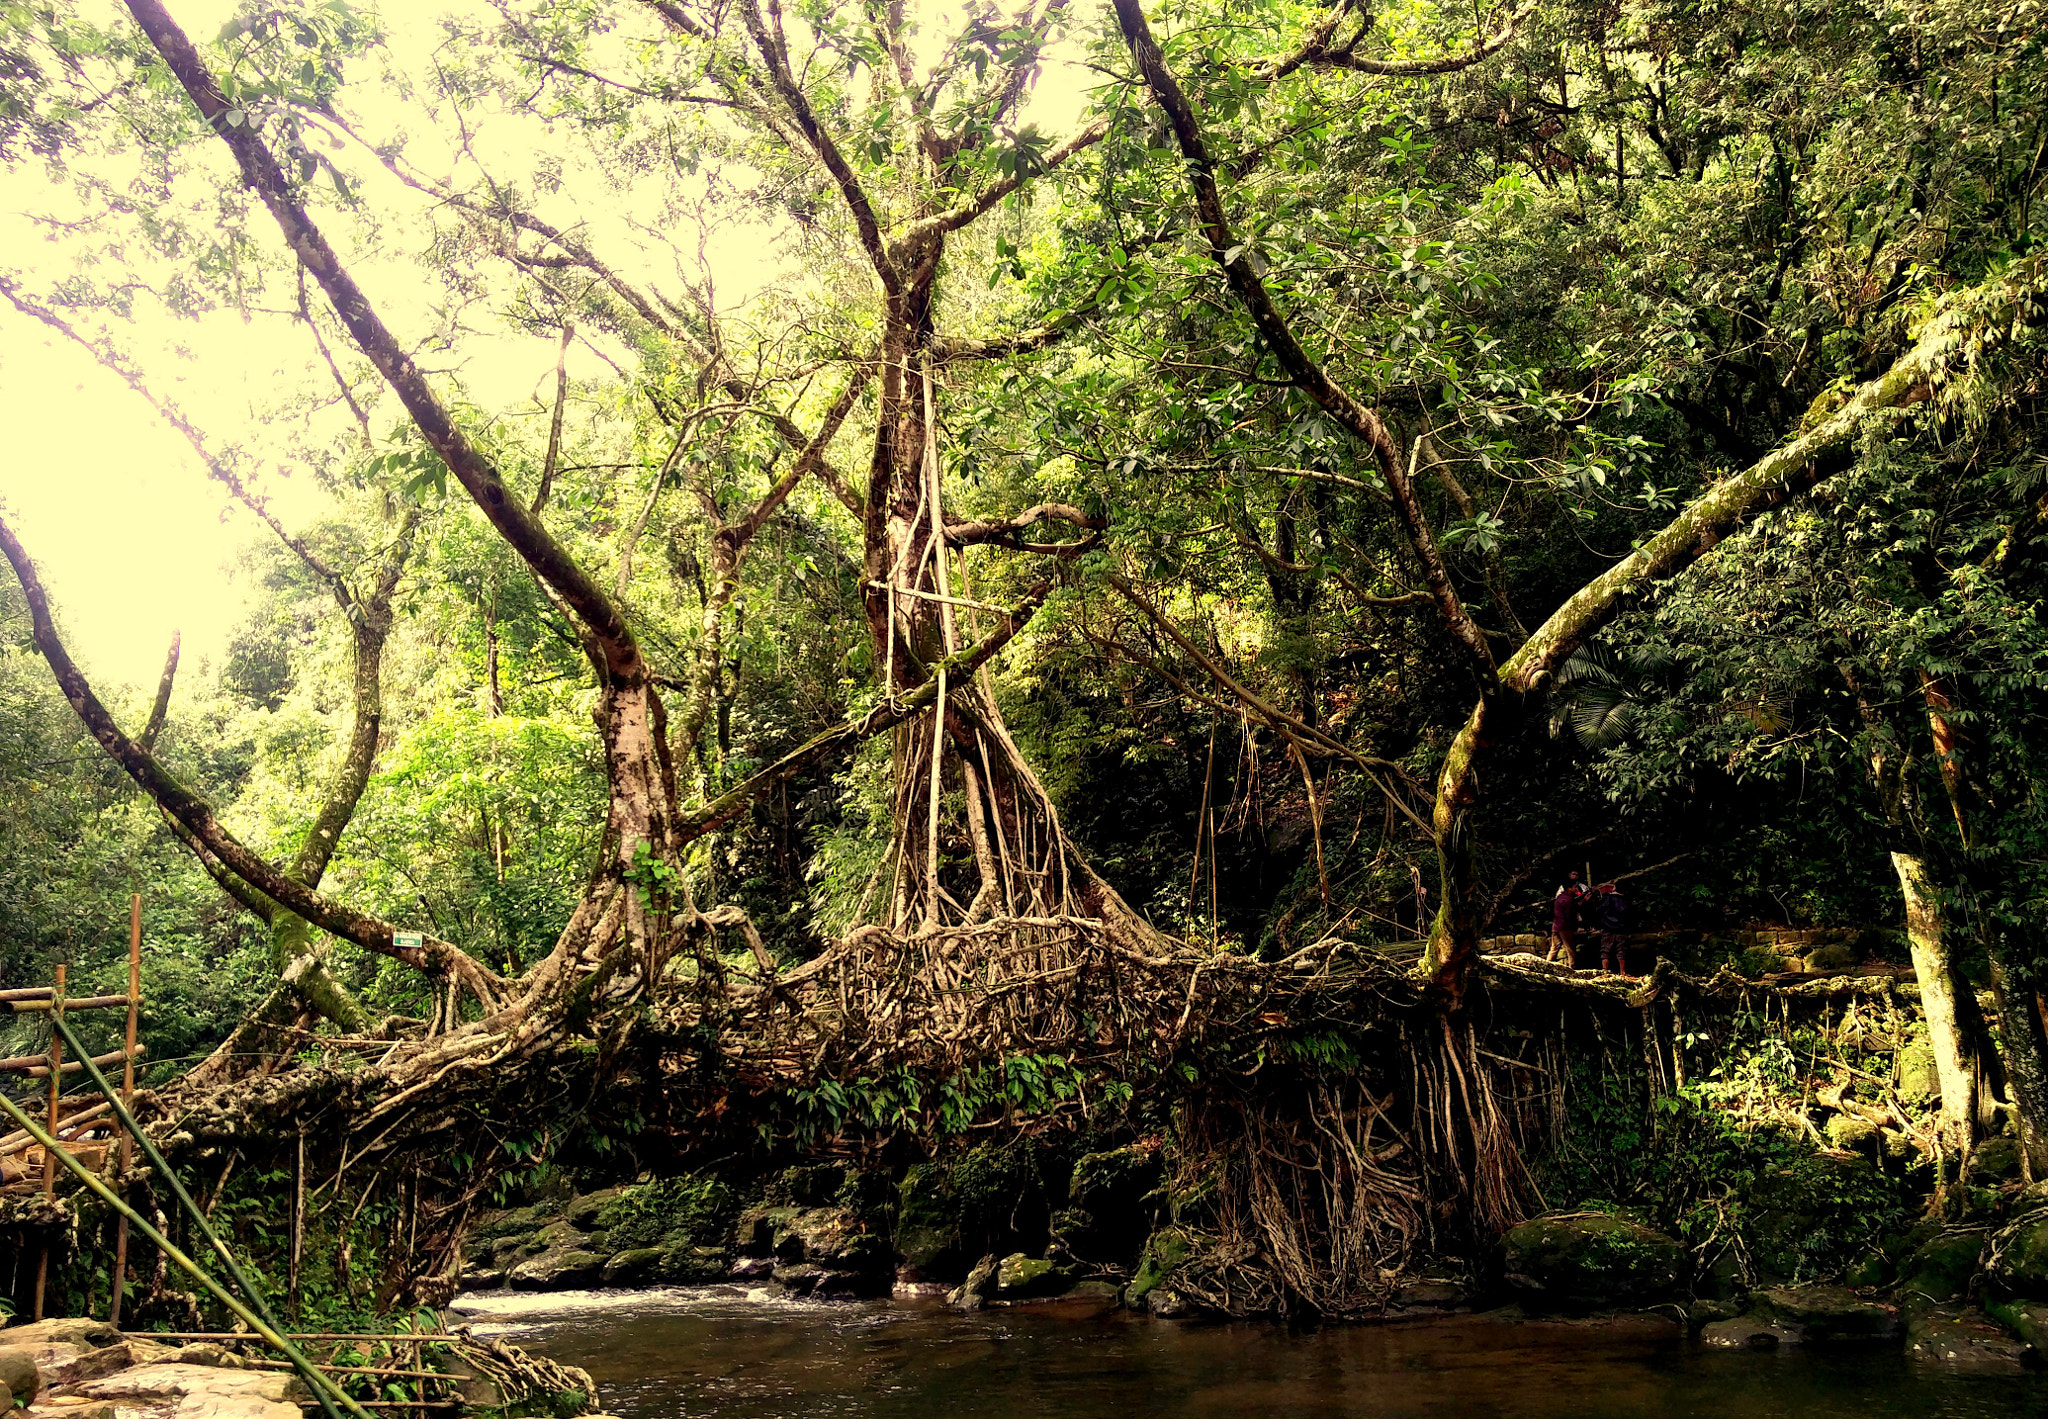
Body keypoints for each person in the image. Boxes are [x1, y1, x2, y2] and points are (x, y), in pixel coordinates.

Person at [1550, 872, 1586, 966]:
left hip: (1556, 925)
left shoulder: (1560, 897)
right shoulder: (1568, 900)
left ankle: (1547, 965)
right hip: (1565, 927)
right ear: (1569, 888)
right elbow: (1569, 915)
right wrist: (1576, 925)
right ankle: (1572, 969)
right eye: (1574, 887)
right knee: (1571, 950)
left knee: (1554, 948)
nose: (1575, 889)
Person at [1596, 881, 1629, 976]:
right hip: (1621, 928)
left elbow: (1598, 911)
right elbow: (1629, 916)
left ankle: (1604, 971)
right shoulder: (1626, 901)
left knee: (1605, 949)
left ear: (1614, 888)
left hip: (1607, 928)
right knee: (1621, 949)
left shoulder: (1606, 899)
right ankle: (1622, 972)